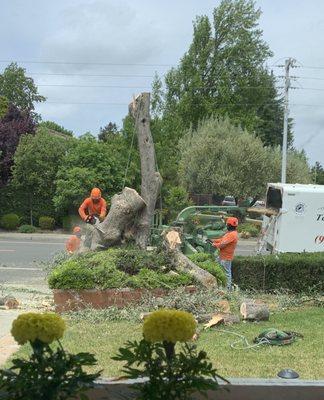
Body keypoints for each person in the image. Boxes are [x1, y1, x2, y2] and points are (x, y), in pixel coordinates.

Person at [212, 217, 239, 291]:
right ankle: (220, 286)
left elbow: (222, 245)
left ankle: (227, 289)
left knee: (227, 274)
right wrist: (213, 240)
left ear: (229, 225)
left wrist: (214, 244)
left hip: (225, 258)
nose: (226, 225)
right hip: (222, 256)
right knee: (216, 268)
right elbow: (222, 240)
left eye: (227, 224)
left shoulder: (232, 235)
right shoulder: (230, 233)